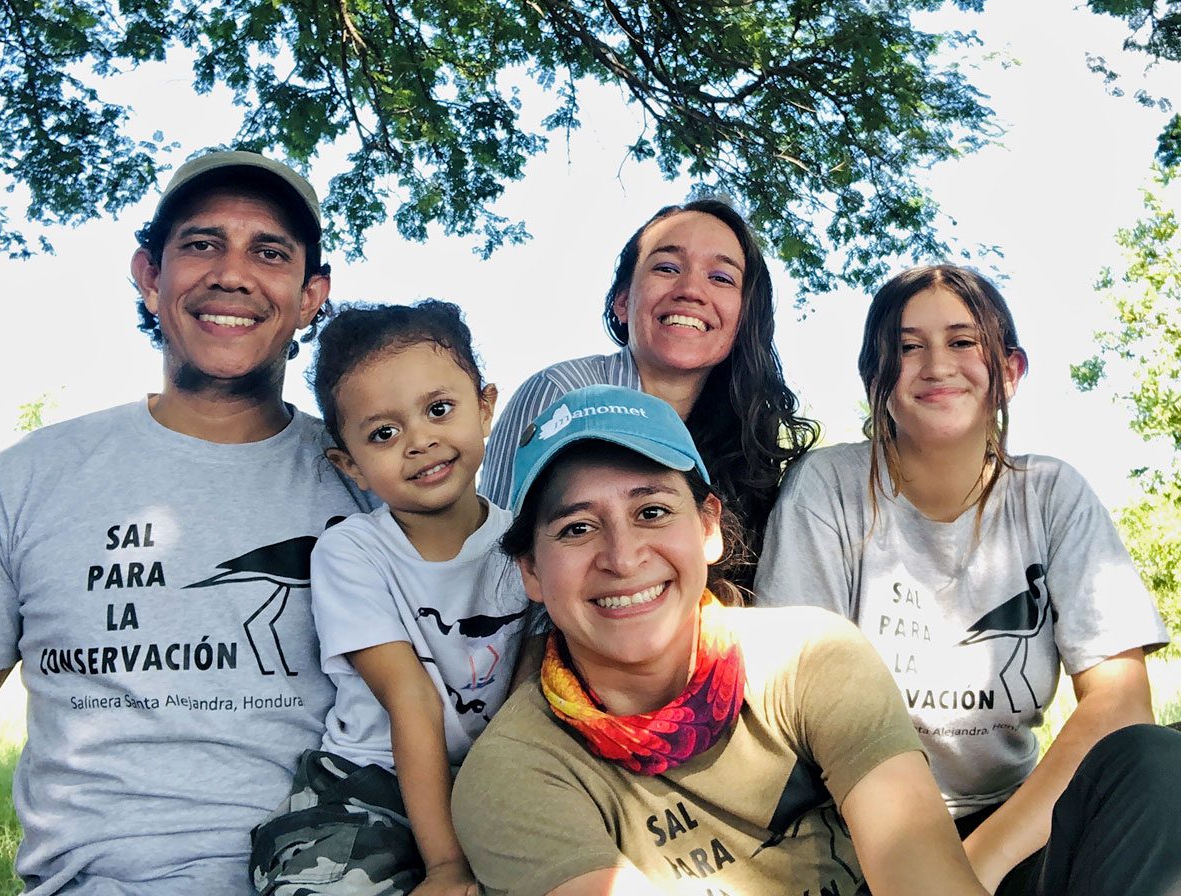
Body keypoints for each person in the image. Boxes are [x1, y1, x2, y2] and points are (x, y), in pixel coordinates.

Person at [0, 150, 373, 894]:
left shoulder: (375, 487)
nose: (231, 273)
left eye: (269, 251)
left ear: (311, 293)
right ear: (150, 275)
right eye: (200, 244)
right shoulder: (20, 482)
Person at [453, 384, 991, 896]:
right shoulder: (515, 772)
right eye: (577, 528)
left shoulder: (813, 660)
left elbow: (924, 875)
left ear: (708, 528)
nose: (623, 557)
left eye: (652, 512)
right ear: (530, 570)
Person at [755, 264, 1178, 893]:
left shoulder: (1052, 495)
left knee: (1161, 761)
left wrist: (971, 870)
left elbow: (1119, 705)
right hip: (860, 836)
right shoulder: (828, 490)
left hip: (1011, 828)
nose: (936, 364)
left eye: (962, 341)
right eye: (906, 347)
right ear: (876, 377)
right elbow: (793, 697)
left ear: (1009, 371)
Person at [250, 301, 528, 896]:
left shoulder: (527, 546)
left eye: (439, 409)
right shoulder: (351, 553)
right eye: (384, 433)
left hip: (491, 779)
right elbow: (409, 697)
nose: (420, 441)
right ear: (350, 465)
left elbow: (531, 693)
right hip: (366, 784)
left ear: (485, 409)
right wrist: (447, 865)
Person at [479, 199, 818, 590]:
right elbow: (499, 578)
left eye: (721, 278)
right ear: (622, 302)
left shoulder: (748, 440)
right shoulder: (561, 397)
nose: (691, 290)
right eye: (667, 268)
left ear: (744, 319)